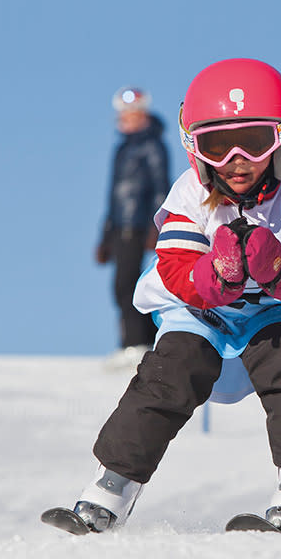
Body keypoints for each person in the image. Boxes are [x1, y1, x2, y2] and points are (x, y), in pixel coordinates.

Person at [45, 58, 281, 534]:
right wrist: (215, 277)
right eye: (217, 146)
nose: (236, 161)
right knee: (167, 373)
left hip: (275, 307)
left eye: (253, 142)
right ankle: (112, 486)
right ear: (195, 148)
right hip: (202, 312)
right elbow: (175, 265)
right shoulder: (188, 194)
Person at [96, 87, 171, 369]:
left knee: (130, 284)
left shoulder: (152, 146)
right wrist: (105, 235)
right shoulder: (123, 149)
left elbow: (160, 187)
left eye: (133, 114)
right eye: (123, 115)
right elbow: (114, 196)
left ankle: (137, 343)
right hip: (120, 224)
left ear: (143, 116)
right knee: (121, 285)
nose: (126, 119)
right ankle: (135, 341)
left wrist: (157, 225)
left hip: (139, 224)